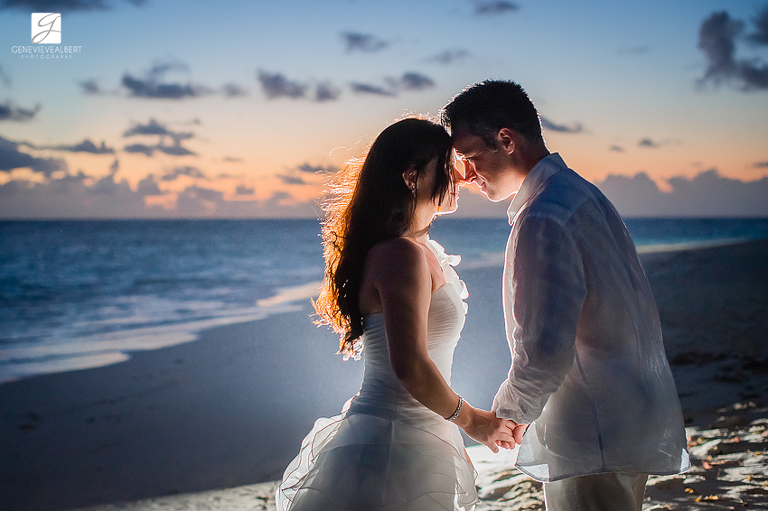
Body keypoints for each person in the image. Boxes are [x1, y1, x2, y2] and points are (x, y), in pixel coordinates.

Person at [440, 80, 690, 511]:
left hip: (589, 426)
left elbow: (545, 347)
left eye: (470, 156)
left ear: (506, 139)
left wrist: (509, 414)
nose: (466, 174)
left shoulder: (543, 218)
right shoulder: (579, 194)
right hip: (626, 412)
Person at [275, 117, 519, 511]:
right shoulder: (399, 254)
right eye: (446, 165)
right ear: (411, 176)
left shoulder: (422, 249)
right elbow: (409, 366)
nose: (460, 174)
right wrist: (474, 421)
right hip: (392, 440)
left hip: (419, 433)